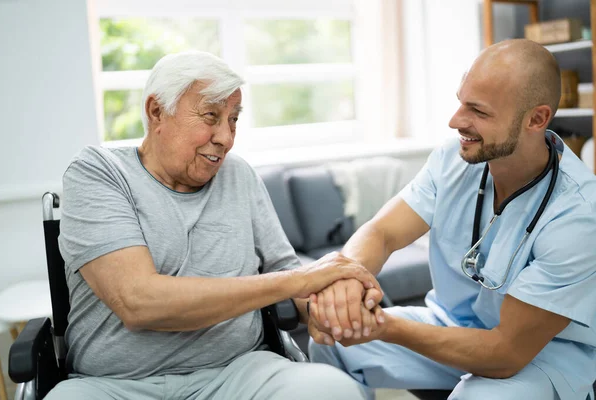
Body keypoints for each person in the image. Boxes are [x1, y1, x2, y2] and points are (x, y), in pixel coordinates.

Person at [46, 51, 384, 400]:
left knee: (335, 391)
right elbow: (138, 302)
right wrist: (300, 280)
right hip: (114, 386)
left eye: (233, 120)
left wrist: (325, 306)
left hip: (238, 374)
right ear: (157, 111)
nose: (226, 137)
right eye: (211, 116)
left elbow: (285, 272)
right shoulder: (98, 172)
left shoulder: (239, 175)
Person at [308, 39, 596, 400]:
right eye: (461, 102)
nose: (456, 120)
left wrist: (381, 325)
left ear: (536, 119)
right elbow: (381, 233)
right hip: (451, 325)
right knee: (334, 341)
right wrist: (345, 281)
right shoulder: (453, 160)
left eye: (479, 111)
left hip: (542, 357)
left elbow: (506, 353)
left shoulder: (579, 215)